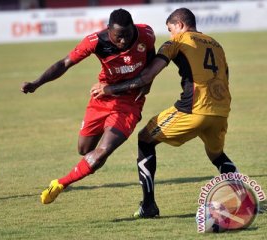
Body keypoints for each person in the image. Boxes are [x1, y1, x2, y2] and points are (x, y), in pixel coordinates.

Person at [90, 8, 238, 218]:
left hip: (193, 109)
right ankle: (248, 198)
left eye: (170, 29)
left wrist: (108, 89)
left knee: (145, 139)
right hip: (221, 111)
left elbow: (145, 77)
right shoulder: (216, 44)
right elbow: (226, 76)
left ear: (179, 25)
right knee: (217, 155)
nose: (170, 35)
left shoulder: (176, 42)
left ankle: (148, 206)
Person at [21, 9, 156, 204]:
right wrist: (36, 83)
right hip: (101, 98)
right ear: (108, 30)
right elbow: (65, 63)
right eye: (119, 37)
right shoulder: (95, 41)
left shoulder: (145, 34)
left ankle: (60, 184)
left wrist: (148, 83)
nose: (124, 41)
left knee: (102, 152)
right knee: (85, 150)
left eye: (128, 35)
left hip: (129, 103)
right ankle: (87, 164)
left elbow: (151, 61)